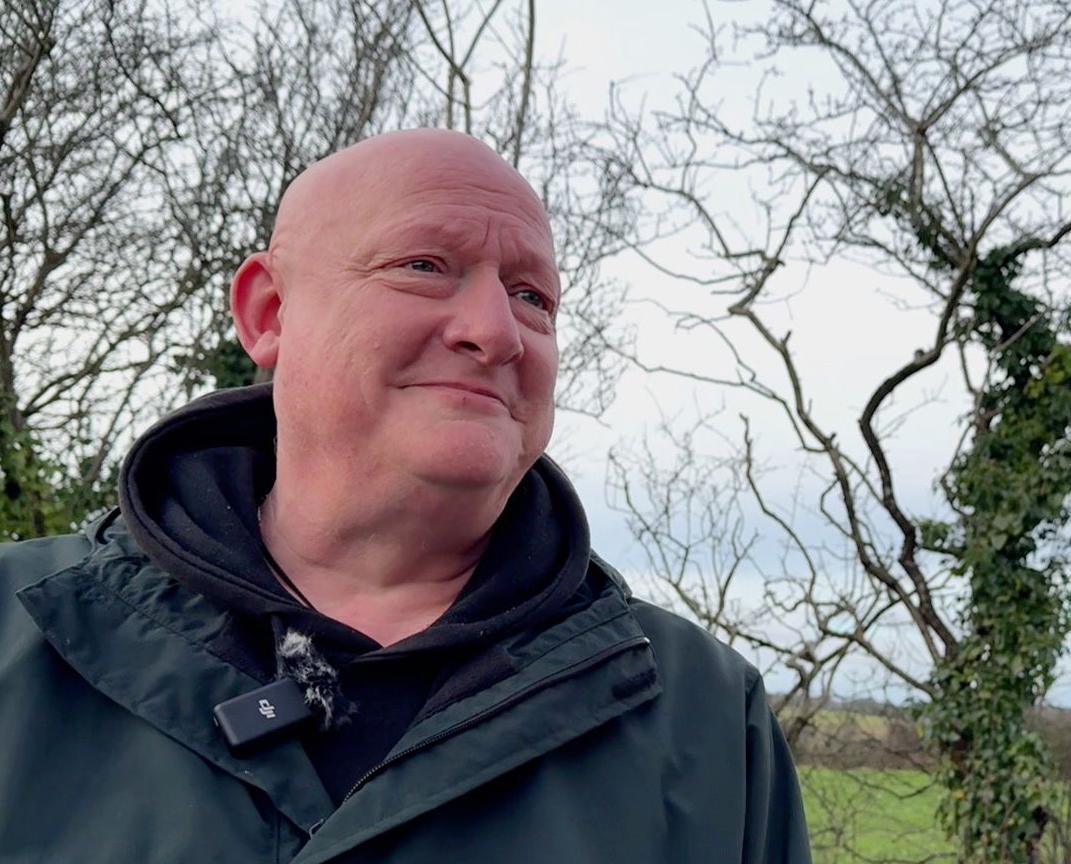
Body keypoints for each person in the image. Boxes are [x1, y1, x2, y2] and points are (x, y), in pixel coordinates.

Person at [0, 129, 812, 863]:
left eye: (533, 296)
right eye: (424, 267)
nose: (496, 332)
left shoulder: (708, 720)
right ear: (270, 312)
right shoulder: (19, 634)